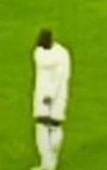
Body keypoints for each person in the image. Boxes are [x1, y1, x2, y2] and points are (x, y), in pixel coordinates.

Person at [32, 28, 72, 170]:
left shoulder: (40, 55)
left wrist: (49, 95)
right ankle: (52, 160)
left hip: (45, 96)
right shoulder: (63, 53)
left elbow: (53, 77)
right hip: (60, 95)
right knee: (55, 126)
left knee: (42, 127)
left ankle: (47, 165)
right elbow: (62, 75)